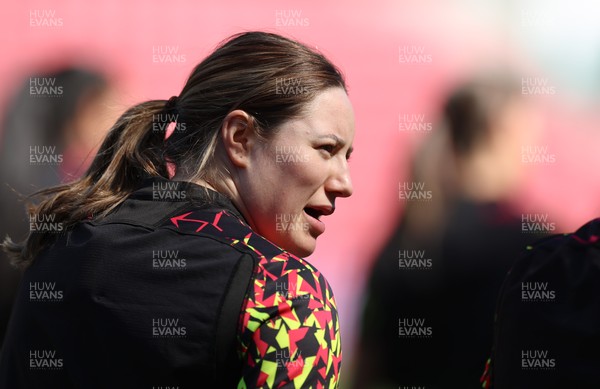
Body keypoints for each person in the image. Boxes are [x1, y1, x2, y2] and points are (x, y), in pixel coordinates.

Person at [0, 31, 354, 388]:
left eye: (347, 157)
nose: (345, 183)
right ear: (240, 138)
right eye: (326, 149)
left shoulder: (59, 245)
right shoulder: (285, 292)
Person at [353, 74, 546, 389]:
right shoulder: (532, 247)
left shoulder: (409, 234)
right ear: (501, 132)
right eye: (532, 138)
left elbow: (367, 366)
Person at [0, 67, 114, 350]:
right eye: (106, 108)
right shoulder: (36, 193)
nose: (113, 122)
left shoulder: (43, 178)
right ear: (82, 108)